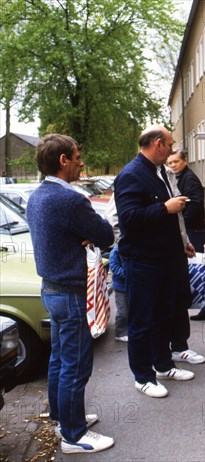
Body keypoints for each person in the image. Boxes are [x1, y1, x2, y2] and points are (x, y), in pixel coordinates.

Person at [26, 134, 115, 454]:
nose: (81, 162)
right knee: (76, 366)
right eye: (77, 156)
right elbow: (106, 235)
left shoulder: (37, 196)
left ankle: (63, 417)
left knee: (60, 359)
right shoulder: (70, 199)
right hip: (72, 293)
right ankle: (74, 436)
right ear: (63, 160)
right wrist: (88, 235)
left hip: (50, 289)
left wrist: (81, 236)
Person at [114, 125, 195, 399]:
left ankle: (163, 365)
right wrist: (165, 208)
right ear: (158, 143)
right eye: (169, 144)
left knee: (164, 315)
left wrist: (183, 241)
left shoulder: (159, 171)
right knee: (142, 321)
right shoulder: (130, 175)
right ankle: (142, 376)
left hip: (167, 258)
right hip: (144, 262)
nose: (172, 150)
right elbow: (128, 219)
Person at [167, 150, 205, 322]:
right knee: (195, 268)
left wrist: (181, 223)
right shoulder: (179, 177)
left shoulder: (189, 179)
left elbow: (195, 204)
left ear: (185, 161)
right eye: (170, 162)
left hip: (194, 230)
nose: (173, 165)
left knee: (198, 268)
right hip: (191, 229)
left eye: (176, 161)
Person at [109, 243, 129, 342]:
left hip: (130, 286)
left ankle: (128, 330)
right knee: (123, 311)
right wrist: (127, 274)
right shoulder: (116, 250)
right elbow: (113, 267)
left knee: (129, 310)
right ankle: (120, 333)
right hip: (120, 287)